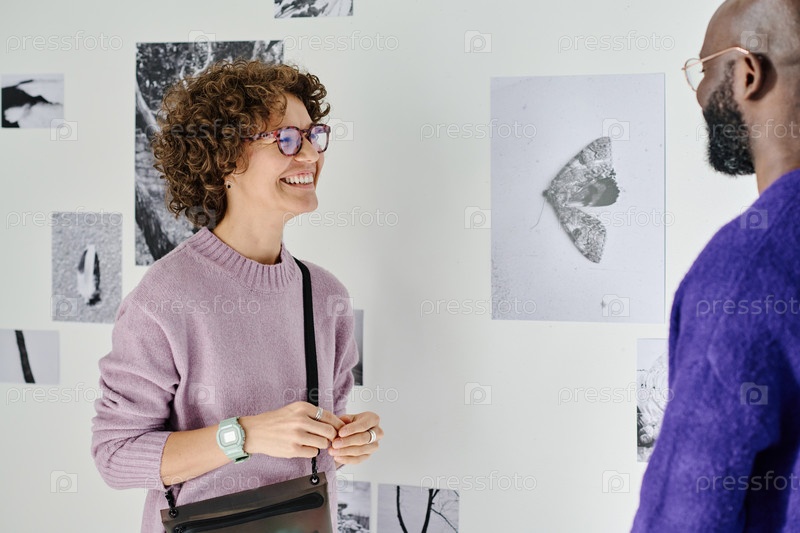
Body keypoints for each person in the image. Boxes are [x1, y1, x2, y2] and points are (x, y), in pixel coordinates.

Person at [91, 59, 383, 532]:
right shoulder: (165, 297)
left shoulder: (325, 294)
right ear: (226, 157)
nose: (311, 154)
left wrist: (347, 440)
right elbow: (116, 456)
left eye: (314, 135)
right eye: (286, 139)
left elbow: (313, 450)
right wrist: (244, 434)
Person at [633, 0, 800, 530]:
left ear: (748, 74)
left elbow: (685, 509)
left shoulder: (744, 271)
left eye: (704, 69)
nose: (700, 92)